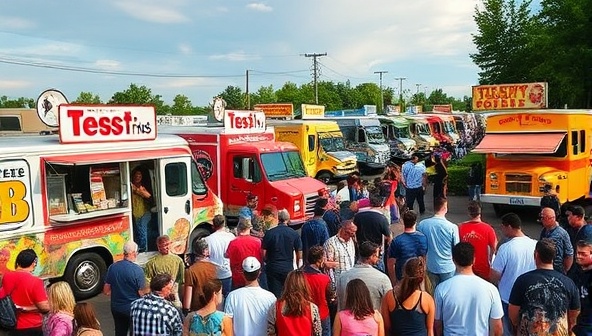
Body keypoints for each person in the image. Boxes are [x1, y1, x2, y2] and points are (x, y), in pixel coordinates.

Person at [508, 239, 580, 335]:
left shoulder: (522, 281)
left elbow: (513, 314)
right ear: (553, 257)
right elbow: (574, 314)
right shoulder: (568, 283)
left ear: (536, 254)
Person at [435, 242, 503, 336]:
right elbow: (497, 327)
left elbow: (438, 324)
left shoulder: (441, 289)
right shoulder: (491, 289)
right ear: (473, 260)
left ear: (453, 260)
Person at [490, 213, 537, 336]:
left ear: (509, 227)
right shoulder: (535, 245)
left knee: (508, 330)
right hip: (529, 296)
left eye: (503, 227)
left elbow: (495, 275)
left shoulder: (506, 248)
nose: (502, 230)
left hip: (507, 297)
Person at [381, 257, 435, 336]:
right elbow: (430, 331)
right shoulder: (427, 299)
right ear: (422, 277)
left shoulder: (389, 296)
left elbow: (387, 327)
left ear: (404, 272)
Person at [1, 249, 49, 336]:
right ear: (34, 263)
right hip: (31, 326)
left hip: (10, 324)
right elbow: (44, 308)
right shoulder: (36, 281)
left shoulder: (6, 277)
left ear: (18, 262)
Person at [224, 257, 276, 336]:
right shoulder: (271, 298)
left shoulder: (232, 297)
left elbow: (227, 323)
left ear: (243, 273)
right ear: (259, 273)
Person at [103, 241, 146, 336]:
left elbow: (106, 291)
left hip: (116, 308)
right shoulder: (138, 270)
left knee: (119, 332)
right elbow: (141, 293)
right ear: (134, 253)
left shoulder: (112, 267)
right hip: (133, 309)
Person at [416, 197, 459, 287]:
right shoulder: (452, 227)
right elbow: (456, 247)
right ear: (445, 208)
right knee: (447, 294)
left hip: (431, 265)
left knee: (432, 294)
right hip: (448, 266)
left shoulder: (423, 224)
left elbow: (419, 244)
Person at [337, 241, 392, 311]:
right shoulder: (382, 278)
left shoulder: (342, 277)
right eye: (378, 256)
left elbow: (340, 304)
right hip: (374, 320)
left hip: (346, 320)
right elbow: (390, 303)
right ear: (372, 256)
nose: (379, 259)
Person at [266, 270, 322, 336]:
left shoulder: (275, 307)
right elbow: (318, 333)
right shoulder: (312, 308)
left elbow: (270, 332)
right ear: (304, 286)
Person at [262, 209, 303, 298]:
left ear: (278, 219)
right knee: (288, 294)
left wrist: (267, 262)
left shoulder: (270, 233)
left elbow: (263, 253)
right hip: (288, 268)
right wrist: (298, 267)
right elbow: (299, 253)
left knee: (275, 295)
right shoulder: (294, 234)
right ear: (288, 219)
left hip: (273, 268)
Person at [387, 210, 428, 287]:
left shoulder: (397, 241)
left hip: (401, 277)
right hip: (416, 277)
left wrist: (393, 281)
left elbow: (390, 263)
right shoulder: (422, 238)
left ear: (403, 222)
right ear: (415, 222)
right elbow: (423, 259)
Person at [458, 200, 497, 280]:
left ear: (469, 213)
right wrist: (490, 260)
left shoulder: (460, 227)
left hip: (465, 267)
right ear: (480, 213)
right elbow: (494, 248)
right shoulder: (488, 229)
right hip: (483, 267)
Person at [353, 192, 392, 272]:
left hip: (362, 249)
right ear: (381, 205)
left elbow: (354, 232)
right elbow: (389, 237)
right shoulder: (382, 218)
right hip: (376, 252)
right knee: (379, 272)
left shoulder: (358, 216)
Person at [144, 235, 185, 307]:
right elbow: (181, 281)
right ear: (158, 247)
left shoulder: (151, 262)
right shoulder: (178, 260)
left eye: (166, 245)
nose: (165, 247)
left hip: (160, 295)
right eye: (163, 246)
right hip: (172, 295)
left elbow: (148, 282)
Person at [303, 246, 334, 336]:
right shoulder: (324, 278)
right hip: (322, 314)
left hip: (305, 314)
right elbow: (330, 297)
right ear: (320, 260)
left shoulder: (300, 276)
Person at [225, 217, 262, 289]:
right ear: (249, 228)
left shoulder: (233, 243)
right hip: (254, 275)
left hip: (238, 277)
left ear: (238, 228)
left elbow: (227, 255)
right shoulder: (257, 241)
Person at [183, 239, 217, 313]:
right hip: (212, 307)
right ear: (205, 251)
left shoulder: (191, 270)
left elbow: (188, 292)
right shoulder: (214, 268)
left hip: (197, 310)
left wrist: (186, 310)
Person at [205, 214, 235, 298]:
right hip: (227, 272)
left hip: (214, 273)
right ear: (224, 223)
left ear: (213, 225)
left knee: (214, 298)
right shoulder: (231, 237)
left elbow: (206, 255)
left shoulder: (208, 239)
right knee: (227, 297)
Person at [539, 207, 574, 274]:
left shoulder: (560, 234)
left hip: (557, 271)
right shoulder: (545, 230)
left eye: (543, 218)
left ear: (550, 219)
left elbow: (569, 254)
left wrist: (564, 271)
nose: (541, 220)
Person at [568, 240, 592, 335]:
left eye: (583, 254)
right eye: (577, 253)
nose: (578, 256)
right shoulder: (574, 272)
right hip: (576, 323)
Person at [131, 167, 152, 252]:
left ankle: (143, 249)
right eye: (136, 175)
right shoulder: (130, 185)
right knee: (139, 231)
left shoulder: (142, 186)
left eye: (139, 175)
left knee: (142, 231)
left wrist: (137, 190)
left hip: (144, 212)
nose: (138, 177)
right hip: (135, 212)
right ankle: (141, 248)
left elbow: (148, 196)